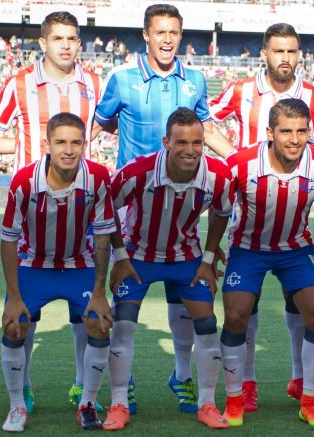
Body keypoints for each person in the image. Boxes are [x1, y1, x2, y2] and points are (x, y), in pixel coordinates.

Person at [91, 3, 234, 414]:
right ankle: (123, 387)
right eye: (160, 32)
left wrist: (239, 161)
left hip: (183, 208)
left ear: (180, 35)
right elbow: (100, 124)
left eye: (174, 32)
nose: (167, 39)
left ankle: (184, 377)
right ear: (146, 35)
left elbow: (204, 131)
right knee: (123, 308)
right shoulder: (122, 78)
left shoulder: (196, 80)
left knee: (184, 307)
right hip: (136, 203)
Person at [0, 11, 103, 414]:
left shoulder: (93, 83)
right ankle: (25, 391)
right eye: (58, 38)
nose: (67, 45)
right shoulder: (19, 84)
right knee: (24, 311)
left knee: (82, 309)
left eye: (73, 38)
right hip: (34, 204)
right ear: (43, 42)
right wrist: (25, 152)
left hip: (80, 207)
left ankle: (79, 384)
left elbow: (98, 128)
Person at [209, 22, 314, 410]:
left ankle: (300, 378)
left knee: (304, 305)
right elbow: (207, 123)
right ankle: (246, 383)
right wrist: (238, 162)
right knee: (246, 306)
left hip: (292, 205)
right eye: (278, 51)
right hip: (248, 205)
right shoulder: (242, 90)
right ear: (265, 53)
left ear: (299, 55)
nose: (285, 58)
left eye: (292, 51)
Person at [219, 98, 314, 428]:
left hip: (296, 249)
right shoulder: (241, 164)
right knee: (236, 315)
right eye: (286, 131)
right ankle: (235, 398)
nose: (294, 139)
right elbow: (219, 209)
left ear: (309, 132)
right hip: (248, 248)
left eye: (302, 131)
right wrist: (210, 255)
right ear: (270, 132)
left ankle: (309, 399)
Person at [102, 108, 234, 430]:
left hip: (185, 256)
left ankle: (206, 403)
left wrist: (207, 258)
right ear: (166, 142)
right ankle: (119, 400)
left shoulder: (218, 176)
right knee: (123, 326)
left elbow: (221, 212)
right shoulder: (137, 172)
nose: (190, 150)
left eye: (197, 142)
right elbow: (106, 208)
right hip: (137, 256)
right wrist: (119, 256)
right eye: (182, 142)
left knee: (206, 322)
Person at [0, 113, 115, 432]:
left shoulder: (98, 177)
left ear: (85, 144)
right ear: (47, 144)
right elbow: (8, 240)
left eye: (76, 142)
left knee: (100, 324)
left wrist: (101, 293)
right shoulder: (24, 181)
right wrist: (13, 297)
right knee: (13, 326)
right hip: (34, 265)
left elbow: (104, 236)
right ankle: (17, 405)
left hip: (80, 264)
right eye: (60, 142)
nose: (68, 149)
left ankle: (87, 404)